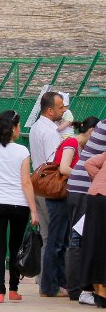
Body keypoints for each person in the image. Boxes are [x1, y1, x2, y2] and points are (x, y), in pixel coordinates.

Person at [0, 110, 40, 303]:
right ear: (13, 128)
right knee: (14, 247)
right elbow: (26, 183)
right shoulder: (22, 151)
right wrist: (33, 210)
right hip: (19, 205)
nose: (19, 129)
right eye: (18, 126)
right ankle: (14, 289)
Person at [59, 117, 101, 301]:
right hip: (85, 189)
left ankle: (76, 288)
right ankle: (80, 290)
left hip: (77, 187)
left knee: (76, 237)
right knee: (80, 239)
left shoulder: (101, 127)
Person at [29, 92, 66, 269]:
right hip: (49, 186)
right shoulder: (51, 132)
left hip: (37, 184)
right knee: (55, 235)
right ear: (50, 110)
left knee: (45, 235)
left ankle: (43, 277)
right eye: (60, 107)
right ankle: (52, 279)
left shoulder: (36, 127)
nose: (64, 110)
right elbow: (54, 163)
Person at [80, 150, 106, 307]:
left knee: (94, 242)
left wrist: (99, 179)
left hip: (94, 197)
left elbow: (88, 163)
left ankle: (97, 290)